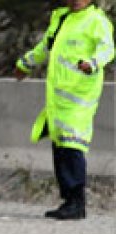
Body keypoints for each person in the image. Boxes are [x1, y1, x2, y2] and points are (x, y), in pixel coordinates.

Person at [14, 0, 114, 220]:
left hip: (80, 97)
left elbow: (108, 48)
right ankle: (68, 201)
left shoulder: (97, 21)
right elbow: (45, 47)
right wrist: (25, 64)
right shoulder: (61, 19)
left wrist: (93, 63)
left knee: (72, 146)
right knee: (61, 148)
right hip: (58, 99)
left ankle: (77, 203)